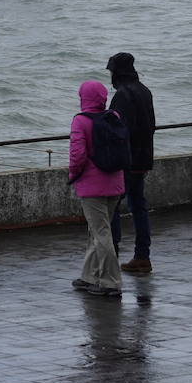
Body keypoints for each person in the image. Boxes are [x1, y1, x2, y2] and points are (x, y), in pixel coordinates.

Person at [69, 80, 125, 297]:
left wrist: (74, 175)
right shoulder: (114, 116)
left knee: (101, 233)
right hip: (115, 183)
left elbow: (77, 155)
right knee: (97, 230)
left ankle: (110, 282)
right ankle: (90, 276)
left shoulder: (80, 121)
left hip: (92, 187)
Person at [107, 52, 156, 274]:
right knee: (139, 206)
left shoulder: (122, 95)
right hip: (143, 158)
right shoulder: (144, 91)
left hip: (127, 160)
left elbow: (118, 130)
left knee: (113, 206)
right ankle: (142, 255)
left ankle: (112, 254)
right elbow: (151, 124)